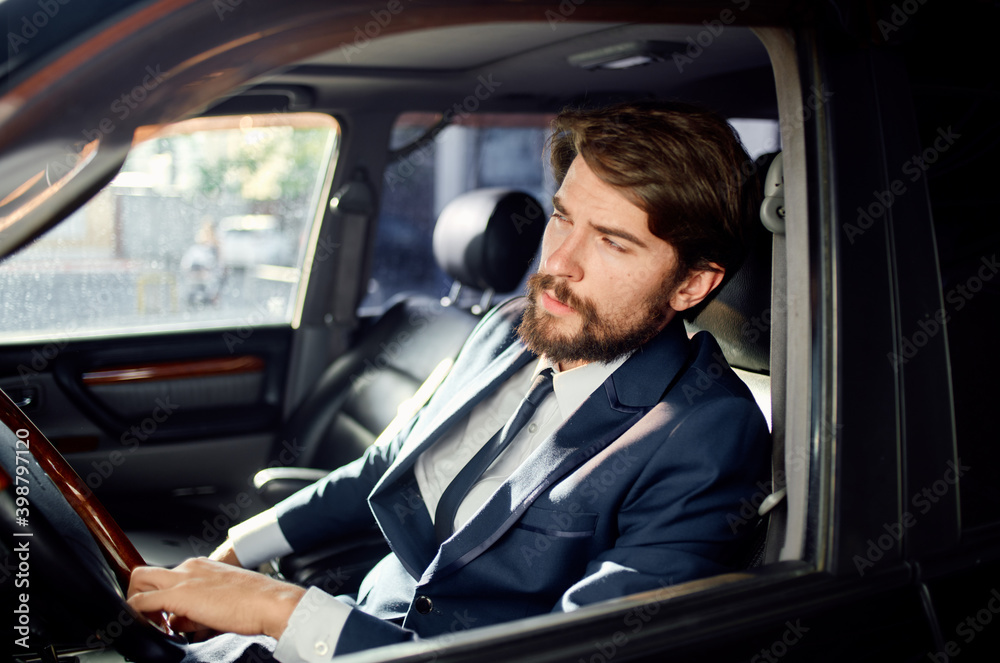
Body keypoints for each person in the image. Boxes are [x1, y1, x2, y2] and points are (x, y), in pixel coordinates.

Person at [126, 101, 772, 661]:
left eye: (612, 242)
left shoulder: (708, 432)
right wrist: (237, 552)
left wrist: (281, 610)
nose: (559, 262)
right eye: (563, 216)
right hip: (354, 625)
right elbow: (390, 461)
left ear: (692, 283)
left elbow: (573, 651)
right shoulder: (507, 328)